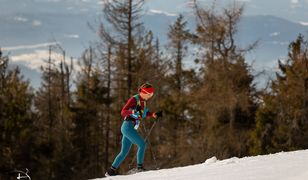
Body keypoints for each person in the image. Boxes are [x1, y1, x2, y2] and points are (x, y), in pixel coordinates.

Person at [105, 83, 162, 176]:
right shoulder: (134, 99)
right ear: (144, 92)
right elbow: (123, 111)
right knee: (142, 145)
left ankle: (110, 171)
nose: (150, 96)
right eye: (149, 94)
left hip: (131, 128)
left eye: (151, 95)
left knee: (124, 152)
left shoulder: (143, 102)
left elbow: (144, 113)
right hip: (127, 126)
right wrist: (132, 111)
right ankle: (139, 168)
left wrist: (153, 114)